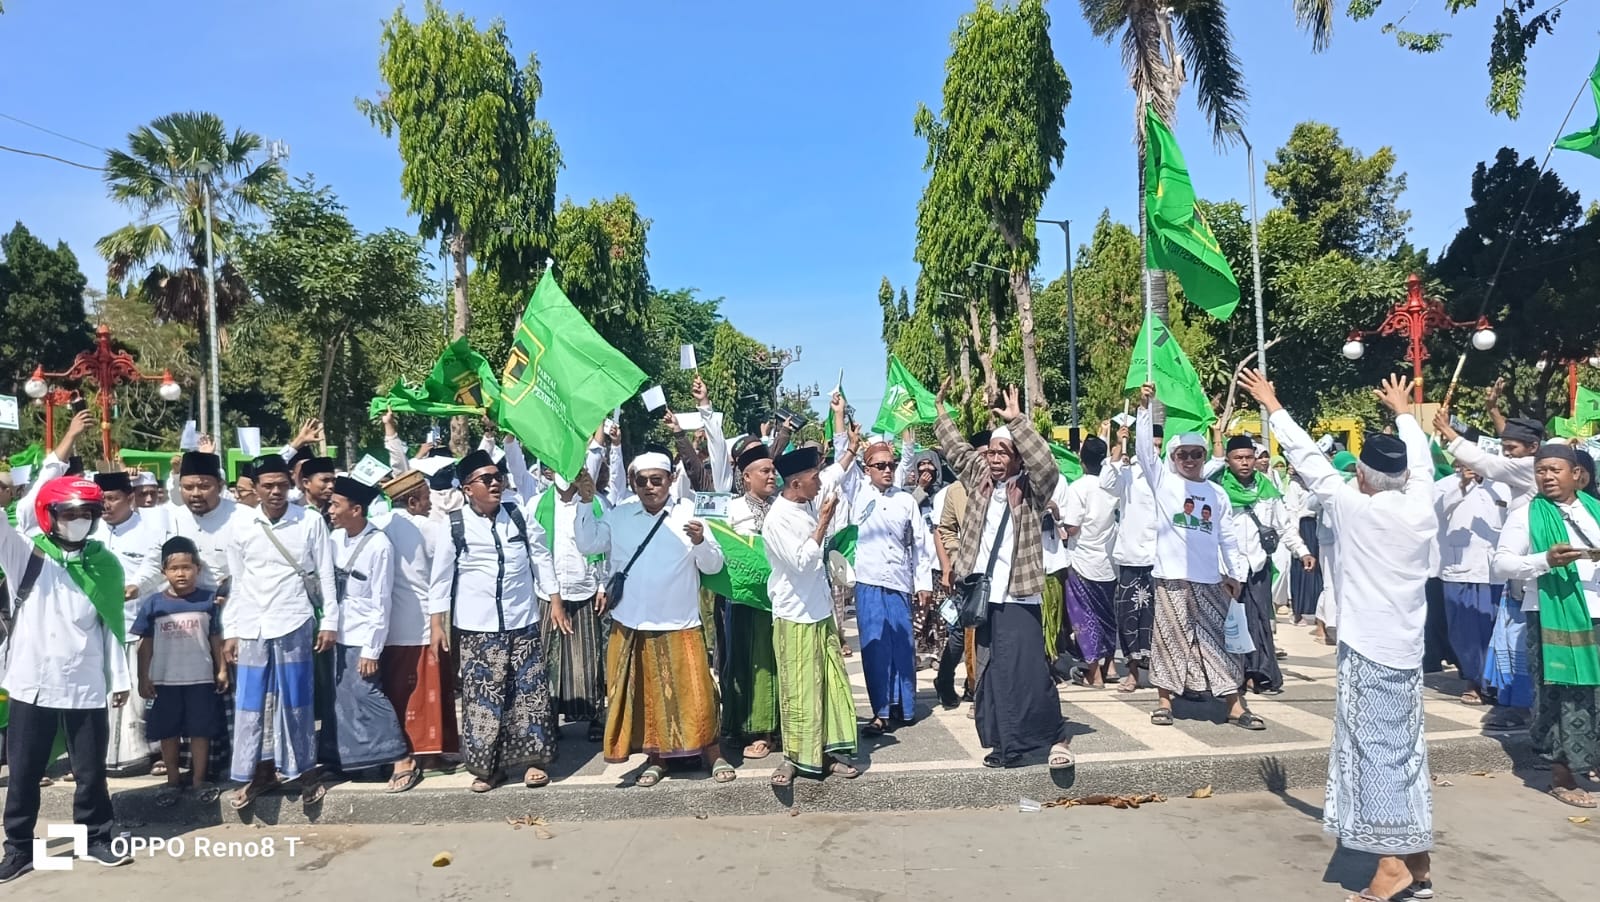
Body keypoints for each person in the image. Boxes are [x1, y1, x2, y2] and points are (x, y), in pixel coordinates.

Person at [1244, 370, 1436, 902]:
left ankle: (1392, 866)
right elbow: (1419, 460)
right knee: (1406, 751)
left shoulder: (1356, 507)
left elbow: (1311, 463)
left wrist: (1273, 404)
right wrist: (1403, 411)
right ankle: (1416, 859)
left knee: (1377, 755)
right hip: (1406, 649)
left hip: (1372, 650)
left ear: (1366, 477)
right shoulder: (1423, 504)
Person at [0, 476, 134, 882]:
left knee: (91, 769)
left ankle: (96, 837)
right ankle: (19, 847)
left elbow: (111, 625)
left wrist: (120, 679)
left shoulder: (104, 563)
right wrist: (54, 464)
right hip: (31, 681)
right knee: (24, 770)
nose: (77, 521)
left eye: (86, 514)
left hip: (85, 679)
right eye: (69, 513)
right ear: (49, 516)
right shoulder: (25, 555)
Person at [574, 449, 733, 788]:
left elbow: (714, 565)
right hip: (634, 623)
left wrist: (701, 541)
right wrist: (585, 502)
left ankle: (713, 753)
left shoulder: (689, 512)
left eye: (656, 480)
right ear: (632, 483)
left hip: (681, 621)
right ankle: (656, 758)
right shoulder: (620, 515)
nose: (649, 487)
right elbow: (588, 544)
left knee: (699, 696)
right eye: (641, 481)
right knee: (647, 699)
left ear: (670, 480)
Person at [936, 384, 1073, 770]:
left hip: (1017, 594)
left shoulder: (1032, 488)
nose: (995, 459)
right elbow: (957, 450)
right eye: (992, 452)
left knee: (1025, 670)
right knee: (991, 669)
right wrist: (941, 410)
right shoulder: (980, 479)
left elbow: (1047, 464)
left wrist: (1018, 422)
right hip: (983, 595)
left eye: (1004, 452)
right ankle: (1001, 741)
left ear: (1017, 457)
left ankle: (1044, 736)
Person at [426, 449, 562, 793]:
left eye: (496, 477)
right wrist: (436, 623)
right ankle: (489, 769)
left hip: (522, 621)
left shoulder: (517, 515)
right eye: (485, 479)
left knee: (529, 695)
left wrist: (555, 600)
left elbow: (541, 558)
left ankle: (534, 762)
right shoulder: (455, 524)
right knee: (484, 701)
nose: (494, 483)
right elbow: (441, 577)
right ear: (467, 488)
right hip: (477, 627)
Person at [1135, 384, 1260, 731]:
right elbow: (1145, 450)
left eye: (1196, 454)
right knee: (1168, 641)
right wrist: (1145, 408)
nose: (1189, 460)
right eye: (1182, 454)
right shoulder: (1163, 482)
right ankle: (1164, 702)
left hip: (1210, 580)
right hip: (1171, 578)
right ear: (1173, 458)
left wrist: (1236, 574)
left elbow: (1227, 537)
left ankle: (1235, 706)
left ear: (1205, 457)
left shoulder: (1216, 493)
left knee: (1221, 642)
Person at [221, 453, 338, 811]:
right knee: (253, 704)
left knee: (296, 701)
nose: (275, 492)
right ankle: (260, 772)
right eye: (267, 486)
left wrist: (329, 620)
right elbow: (237, 582)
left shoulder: (310, 521)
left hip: (294, 619)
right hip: (253, 625)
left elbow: (325, 573)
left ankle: (305, 773)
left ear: (291, 484)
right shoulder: (240, 526)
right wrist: (231, 630)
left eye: (281, 485)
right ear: (254, 488)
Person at [1490, 442, 1600, 809]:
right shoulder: (1526, 514)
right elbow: (1501, 564)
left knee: (1595, 694)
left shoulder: (1594, 510)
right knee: (1561, 693)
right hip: (1553, 614)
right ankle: (1562, 773)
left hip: (1596, 611)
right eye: (1542, 470)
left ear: (1576, 475)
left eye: (1556, 470)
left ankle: (1592, 762)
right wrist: (1544, 560)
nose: (1548, 476)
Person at [1435, 410, 1540, 730]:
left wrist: (1451, 435)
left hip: (1526, 568)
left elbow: (1492, 464)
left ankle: (1520, 704)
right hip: (1492, 569)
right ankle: (1504, 695)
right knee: (1500, 637)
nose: (1507, 455)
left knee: (1518, 638)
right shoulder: (1455, 482)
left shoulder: (1527, 470)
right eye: (1504, 447)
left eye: (1513, 448)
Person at [762, 447, 860, 784]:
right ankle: (793, 757)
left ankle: (830, 752)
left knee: (830, 684)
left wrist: (851, 450)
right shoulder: (777, 519)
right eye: (813, 478)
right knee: (799, 691)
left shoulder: (807, 499)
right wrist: (822, 524)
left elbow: (834, 474)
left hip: (819, 612)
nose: (820, 482)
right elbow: (802, 563)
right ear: (796, 483)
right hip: (794, 615)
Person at [320, 476, 414, 790]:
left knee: (367, 694)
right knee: (342, 701)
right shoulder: (333, 540)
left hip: (363, 636)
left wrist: (371, 650)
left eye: (336, 504)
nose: (330, 510)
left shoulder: (379, 545)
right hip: (338, 634)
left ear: (357, 509)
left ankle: (402, 758)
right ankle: (347, 762)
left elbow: (381, 601)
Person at [839, 428, 933, 735]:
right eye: (880, 466)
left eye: (891, 465)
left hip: (899, 581)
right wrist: (840, 419)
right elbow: (843, 463)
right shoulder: (858, 492)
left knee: (902, 646)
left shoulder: (905, 500)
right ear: (867, 470)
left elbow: (918, 543)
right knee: (875, 647)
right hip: (868, 581)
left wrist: (923, 584)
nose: (888, 470)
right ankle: (880, 712)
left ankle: (903, 707)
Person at [131, 536, 226, 807]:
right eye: (174, 569)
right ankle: (172, 781)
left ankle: (198, 780)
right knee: (168, 732)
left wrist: (221, 671)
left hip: (201, 678)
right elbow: (144, 645)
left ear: (198, 568)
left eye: (187, 567)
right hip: (164, 680)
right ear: (164, 572)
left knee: (200, 731)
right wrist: (143, 677)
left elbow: (216, 640)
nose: (181, 573)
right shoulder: (153, 604)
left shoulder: (209, 602)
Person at [1212, 434, 1310, 694]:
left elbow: (1284, 526)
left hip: (1258, 568)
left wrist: (1302, 551)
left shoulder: (1267, 490)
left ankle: (1261, 674)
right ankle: (1233, 676)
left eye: (1248, 457)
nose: (1244, 463)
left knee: (1259, 622)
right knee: (1231, 623)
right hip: (1227, 570)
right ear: (1228, 461)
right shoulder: (1217, 490)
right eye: (1238, 458)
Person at [376, 468, 458, 770]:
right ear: (412, 502)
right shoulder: (430, 528)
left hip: (388, 626)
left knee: (398, 690)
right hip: (425, 622)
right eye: (426, 499)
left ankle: (401, 751)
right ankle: (431, 754)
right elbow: (446, 569)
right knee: (427, 691)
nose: (430, 504)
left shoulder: (376, 525)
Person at [529, 462, 611, 744]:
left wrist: (602, 584)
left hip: (585, 589)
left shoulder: (596, 503)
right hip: (548, 592)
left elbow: (607, 545)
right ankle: (548, 716)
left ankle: (594, 715)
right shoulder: (536, 504)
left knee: (589, 657)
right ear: (548, 473)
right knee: (547, 658)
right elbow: (535, 552)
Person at [90, 470, 165, 774]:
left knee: (141, 694)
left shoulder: (151, 528)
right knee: (105, 695)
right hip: (100, 627)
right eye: (100, 500)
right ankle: (102, 758)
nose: (105, 505)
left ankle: (154, 754)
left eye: (112, 498)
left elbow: (155, 566)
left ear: (130, 498)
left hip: (139, 625)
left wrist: (135, 586)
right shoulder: (91, 531)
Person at [722, 439, 783, 760]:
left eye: (773, 471)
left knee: (770, 660)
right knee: (740, 659)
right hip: (740, 598)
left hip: (777, 599)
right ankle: (736, 725)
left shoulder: (784, 506)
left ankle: (766, 730)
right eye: (765, 471)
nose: (772, 477)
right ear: (746, 477)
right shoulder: (731, 510)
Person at [1435, 465, 1508, 706]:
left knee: (1494, 632)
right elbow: (1433, 512)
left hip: (1495, 572)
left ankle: (1492, 683)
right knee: (1464, 634)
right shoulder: (1444, 485)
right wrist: (1461, 487)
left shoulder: (1502, 485)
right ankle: (1474, 680)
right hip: (1460, 569)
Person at [1103, 423, 1161, 693]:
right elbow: (1107, 484)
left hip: (1159, 559)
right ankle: (1133, 673)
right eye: (1152, 445)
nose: (1156, 450)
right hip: (1129, 558)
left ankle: (1163, 675)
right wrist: (1117, 446)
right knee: (1129, 618)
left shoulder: (1168, 472)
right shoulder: (1128, 470)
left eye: (1160, 445)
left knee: (1158, 619)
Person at [934, 430, 989, 708]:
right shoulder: (956, 491)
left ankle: (979, 688)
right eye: (980, 456)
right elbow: (944, 528)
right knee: (962, 631)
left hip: (996, 571)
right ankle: (948, 680)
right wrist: (953, 559)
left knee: (990, 631)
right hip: (967, 573)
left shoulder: (1000, 487)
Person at [1060, 436, 1120, 688]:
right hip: (1109, 562)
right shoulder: (1113, 487)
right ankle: (1111, 665)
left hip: (1083, 561)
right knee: (1107, 616)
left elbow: (1072, 527)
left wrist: (1059, 522)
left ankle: (1093, 674)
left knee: (1085, 618)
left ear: (1081, 461)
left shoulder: (1078, 488)